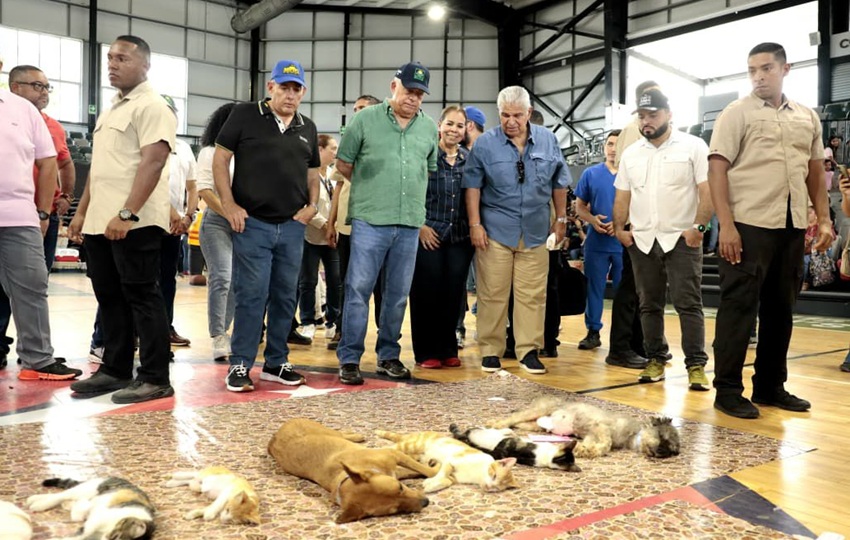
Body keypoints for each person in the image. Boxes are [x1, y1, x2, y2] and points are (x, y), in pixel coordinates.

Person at [709, 43, 830, 418]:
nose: (758, 76)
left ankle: (770, 386)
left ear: (785, 69)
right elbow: (716, 170)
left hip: (792, 225)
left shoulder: (807, 117)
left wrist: (823, 218)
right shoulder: (736, 113)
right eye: (752, 70)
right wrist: (725, 225)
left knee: (782, 310)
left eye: (766, 69)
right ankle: (727, 390)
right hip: (748, 225)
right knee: (738, 309)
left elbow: (813, 171)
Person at [68, 35, 176, 403]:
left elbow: (154, 161)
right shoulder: (113, 108)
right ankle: (114, 369)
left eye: (123, 58)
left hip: (135, 222)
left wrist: (127, 213)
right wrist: (82, 213)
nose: (113, 64)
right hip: (101, 220)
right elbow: (100, 171)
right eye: (110, 58)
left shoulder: (152, 106)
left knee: (143, 295)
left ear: (145, 64)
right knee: (110, 296)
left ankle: (155, 376)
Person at [214, 59, 319, 392]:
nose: (290, 95)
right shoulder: (244, 115)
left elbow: (313, 174)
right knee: (251, 295)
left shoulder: (308, 127)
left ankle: (276, 362)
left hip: (291, 226)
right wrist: (228, 204)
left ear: (303, 92)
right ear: (270, 87)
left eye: (296, 88)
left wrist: (312, 206)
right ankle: (241, 364)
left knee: (285, 297)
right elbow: (220, 159)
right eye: (284, 87)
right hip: (253, 224)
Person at [334, 62, 439, 385]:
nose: (413, 98)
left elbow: (428, 169)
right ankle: (350, 358)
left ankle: (388, 355)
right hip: (370, 219)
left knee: (396, 294)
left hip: (408, 222)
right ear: (394, 86)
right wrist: (372, 189)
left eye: (420, 94)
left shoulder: (429, 128)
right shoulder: (365, 119)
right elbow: (343, 163)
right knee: (357, 290)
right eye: (409, 91)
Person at [463, 85, 571, 375]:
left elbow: (560, 183)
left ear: (529, 113)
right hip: (495, 230)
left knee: (532, 295)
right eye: (504, 115)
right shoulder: (485, 144)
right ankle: (490, 350)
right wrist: (475, 225)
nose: (510, 121)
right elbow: (472, 185)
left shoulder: (549, 141)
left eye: (517, 115)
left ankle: (528, 351)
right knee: (492, 293)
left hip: (536, 232)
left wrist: (561, 220)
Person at [612, 88, 712, 390]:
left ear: (669, 115)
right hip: (642, 240)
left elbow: (707, 191)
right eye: (642, 116)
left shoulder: (693, 146)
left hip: (682, 238)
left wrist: (700, 228)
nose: (647, 121)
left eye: (653, 115)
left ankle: (696, 365)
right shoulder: (631, 153)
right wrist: (620, 229)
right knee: (648, 305)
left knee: (688, 304)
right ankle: (656, 358)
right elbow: (623, 195)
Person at [0, 75, 81, 380]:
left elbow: (48, 163)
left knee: (32, 285)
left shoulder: (22, 109)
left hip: (19, 215)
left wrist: (43, 212)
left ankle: (38, 359)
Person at [409, 105, 473, 369]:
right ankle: (426, 352)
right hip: (429, 234)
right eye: (449, 124)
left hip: (459, 237)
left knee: (453, 293)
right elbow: (412, 191)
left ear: (465, 130)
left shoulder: (470, 160)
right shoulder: (426, 154)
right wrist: (421, 225)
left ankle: (448, 348)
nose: (453, 130)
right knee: (426, 292)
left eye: (459, 126)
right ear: (439, 125)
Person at [326, 94, 381, 351]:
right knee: (346, 281)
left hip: (377, 223)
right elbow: (338, 185)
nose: (357, 112)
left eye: (363, 108)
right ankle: (342, 330)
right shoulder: (349, 140)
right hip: (347, 225)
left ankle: (384, 333)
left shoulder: (384, 140)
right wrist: (331, 222)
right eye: (355, 108)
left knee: (381, 284)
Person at [574, 130, 623, 353]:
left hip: (624, 241)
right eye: (609, 144)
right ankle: (593, 331)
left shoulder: (631, 174)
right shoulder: (590, 174)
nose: (613, 148)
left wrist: (622, 222)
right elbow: (579, 206)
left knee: (626, 291)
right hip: (597, 242)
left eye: (617, 144)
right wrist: (592, 220)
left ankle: (626, 334)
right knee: (594, 288)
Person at [197, 102, 236, 362]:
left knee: (236, 281)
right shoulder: (209, 152)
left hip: (243, 222)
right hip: (217, 222)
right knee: (221, 276)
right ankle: (218, 335)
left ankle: (229, 331)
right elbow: (205, 191)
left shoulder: (246, 153)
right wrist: (230, 213)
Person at [160, 95, 197, 348]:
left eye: (171, 112)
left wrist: (188, 216)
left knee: (167, 279)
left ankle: (165, 327)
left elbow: (193, 186)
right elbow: (151, 183)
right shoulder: (147, 142)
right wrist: (173, 213)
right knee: (143, 279)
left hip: (175, 227)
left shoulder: (183, 147)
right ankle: (140, 331)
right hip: (148, 222)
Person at [298, 134, 342, 339]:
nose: (335, 152)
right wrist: (324, 224)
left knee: (335, 279)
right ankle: (307, 321)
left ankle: (332, 320)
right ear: (320, 150)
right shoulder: (307, 174)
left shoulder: (333, 174)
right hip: (311, 235)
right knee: (308, 280)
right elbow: (305, 204)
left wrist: (333, 226)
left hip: (331, 236)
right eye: (332, 148)